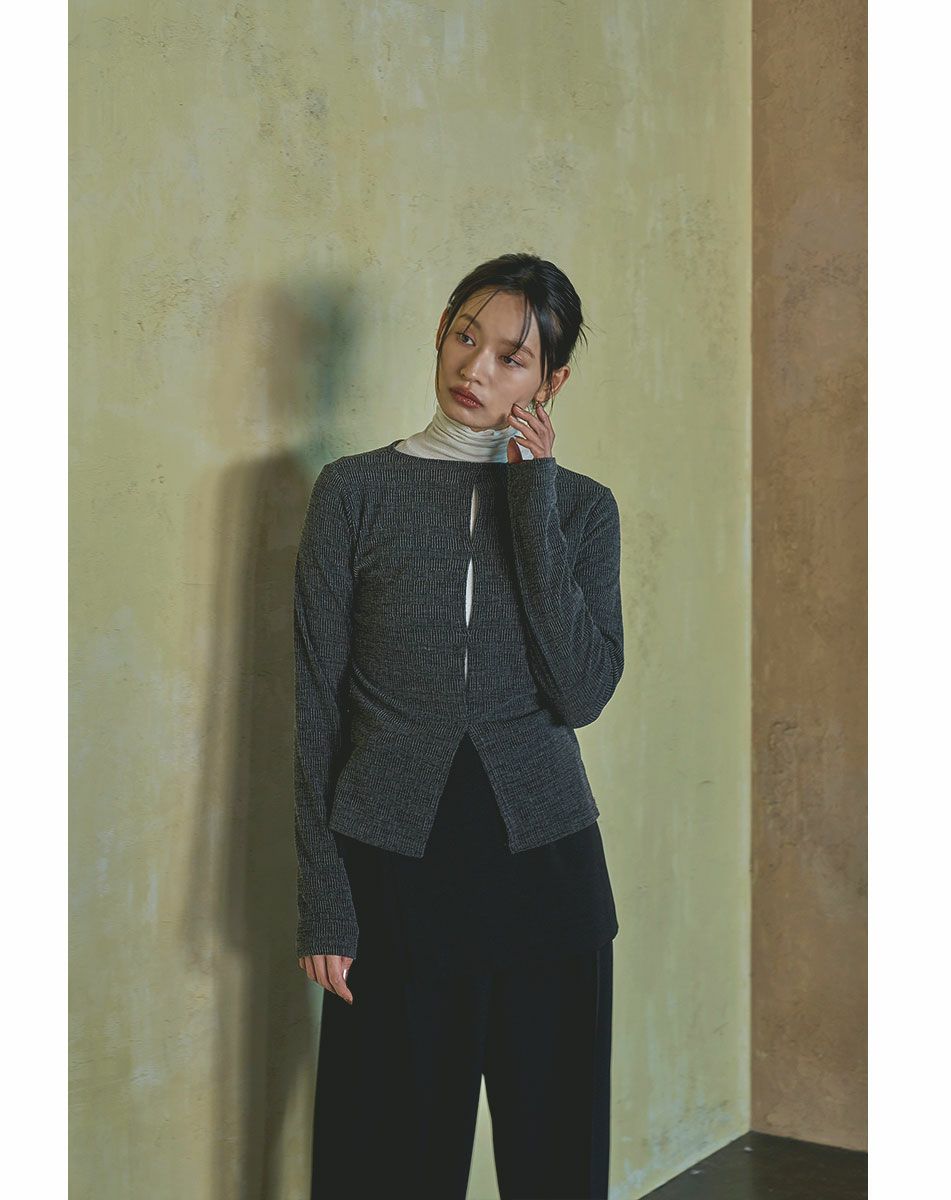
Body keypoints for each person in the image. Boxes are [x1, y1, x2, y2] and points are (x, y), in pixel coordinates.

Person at [294, 252, 623, 1199]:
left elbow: (581, 692)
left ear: (551, 382)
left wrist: (533, 493)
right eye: (465, 336)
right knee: (381, 1168)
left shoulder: (581, 510)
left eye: (511, 357)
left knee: (556, 1170)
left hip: (548, 874)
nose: (475, 368)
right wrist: (325, 898)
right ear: (442, 331)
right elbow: (315, 704)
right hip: (397, 875)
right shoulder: (353, 492)